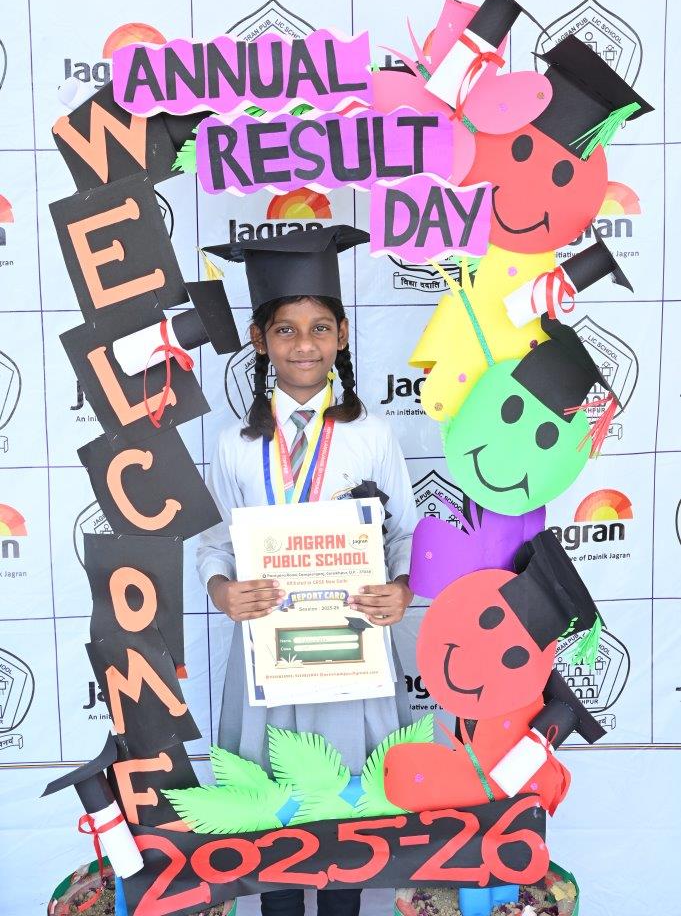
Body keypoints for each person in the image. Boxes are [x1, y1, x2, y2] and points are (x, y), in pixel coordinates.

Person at [197, 225, 418, 916]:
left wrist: (400, 590)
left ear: (342, 335)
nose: (304, 345)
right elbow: (213, 544)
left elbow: (405, 534)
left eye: (320, 328)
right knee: (276, 828)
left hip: (351, 654)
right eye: (285, 330)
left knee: (345, 825)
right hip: (269, 657)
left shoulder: (371, 435)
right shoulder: (233, 444)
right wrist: (223, 590)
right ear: (259, 340)